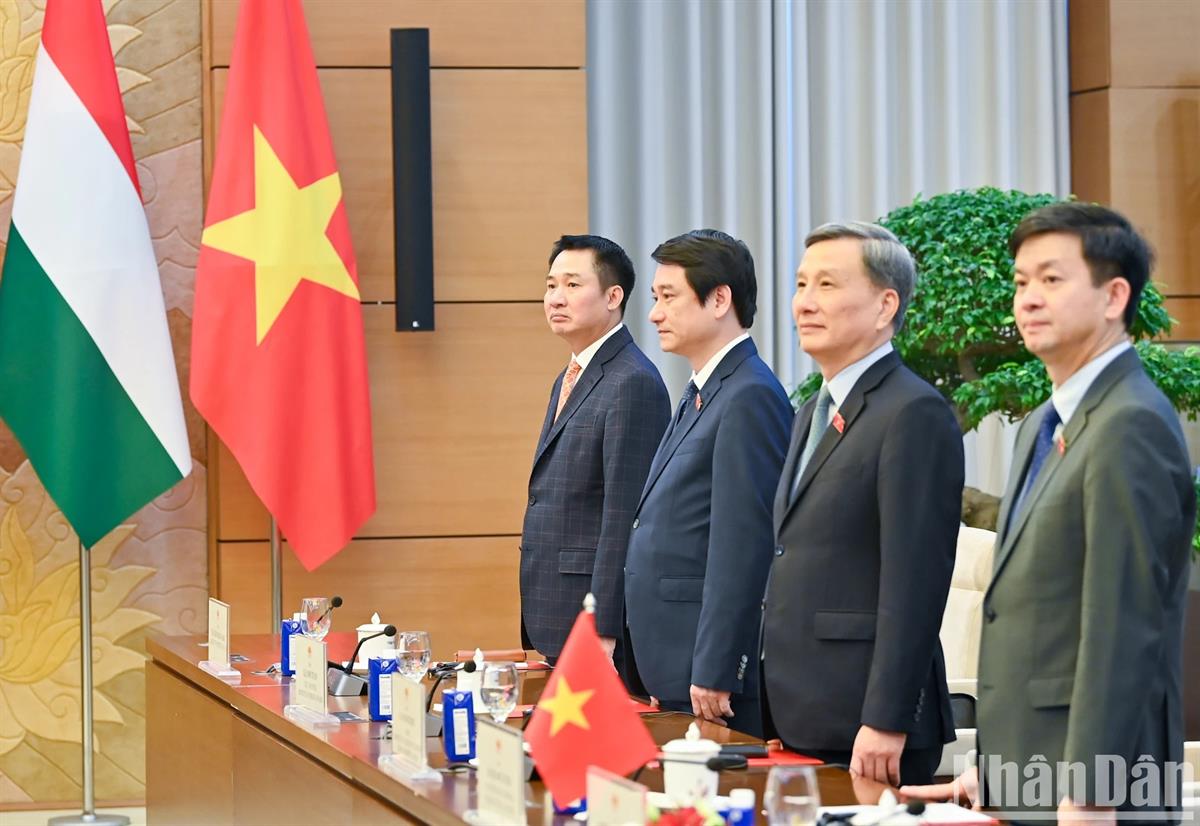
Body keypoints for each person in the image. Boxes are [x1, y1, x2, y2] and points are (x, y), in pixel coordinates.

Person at [903, 203, 1195, 824]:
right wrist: (999, 768)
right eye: (1021, 281)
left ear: (1114, 296)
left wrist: (1090, 792)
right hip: (1033, 774)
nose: (1028, 298)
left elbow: (1122, 624)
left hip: (1098, 792)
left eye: (1052, 279)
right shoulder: (1043, 422)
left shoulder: (1130, 423)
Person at [761, 221, 962, 786]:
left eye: (826, 285)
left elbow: (916, 582)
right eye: (801, 285)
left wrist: (886, 718)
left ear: (884, 306)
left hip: (866, 722)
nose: (804, 302)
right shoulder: (812, 412)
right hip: (800, 706)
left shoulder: (913, 412)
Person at [623, 228, 792, 737]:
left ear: (719, 300)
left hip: (707, 672)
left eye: (668, 297)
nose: (654, 314)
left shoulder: (749, 395)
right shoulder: (704, 389)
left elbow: (744, 543)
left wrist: (719, 664)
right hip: (672, 657)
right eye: (655, 298)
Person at [520, 234, 670, 666]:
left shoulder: (632, 381)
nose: (555, 298)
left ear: (613, 296)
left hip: (593, 618)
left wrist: (605, 623)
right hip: (556, 604)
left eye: (572, 285)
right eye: (551, 285)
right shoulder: (571, 374)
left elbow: (625, 514)